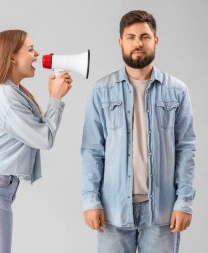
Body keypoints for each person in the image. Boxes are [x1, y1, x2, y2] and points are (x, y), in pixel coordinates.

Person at [81, 10, 196, 253]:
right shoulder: (101, 91)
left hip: (163, 210)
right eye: (130, 37)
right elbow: (92, 150)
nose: (138, 43)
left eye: (144, 36)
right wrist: (91, 201)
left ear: (155, 40)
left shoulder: (177, 90)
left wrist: (184, 201)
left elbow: (185, 148)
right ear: (120, 42)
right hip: (113, 210)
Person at [0, 29, 72, 253]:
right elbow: (44, 138)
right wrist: (56, 100)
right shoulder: (6, 97)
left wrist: (54, 98)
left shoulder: (14, 93)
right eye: (30, 50)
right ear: (12, 56)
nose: (37, 54)